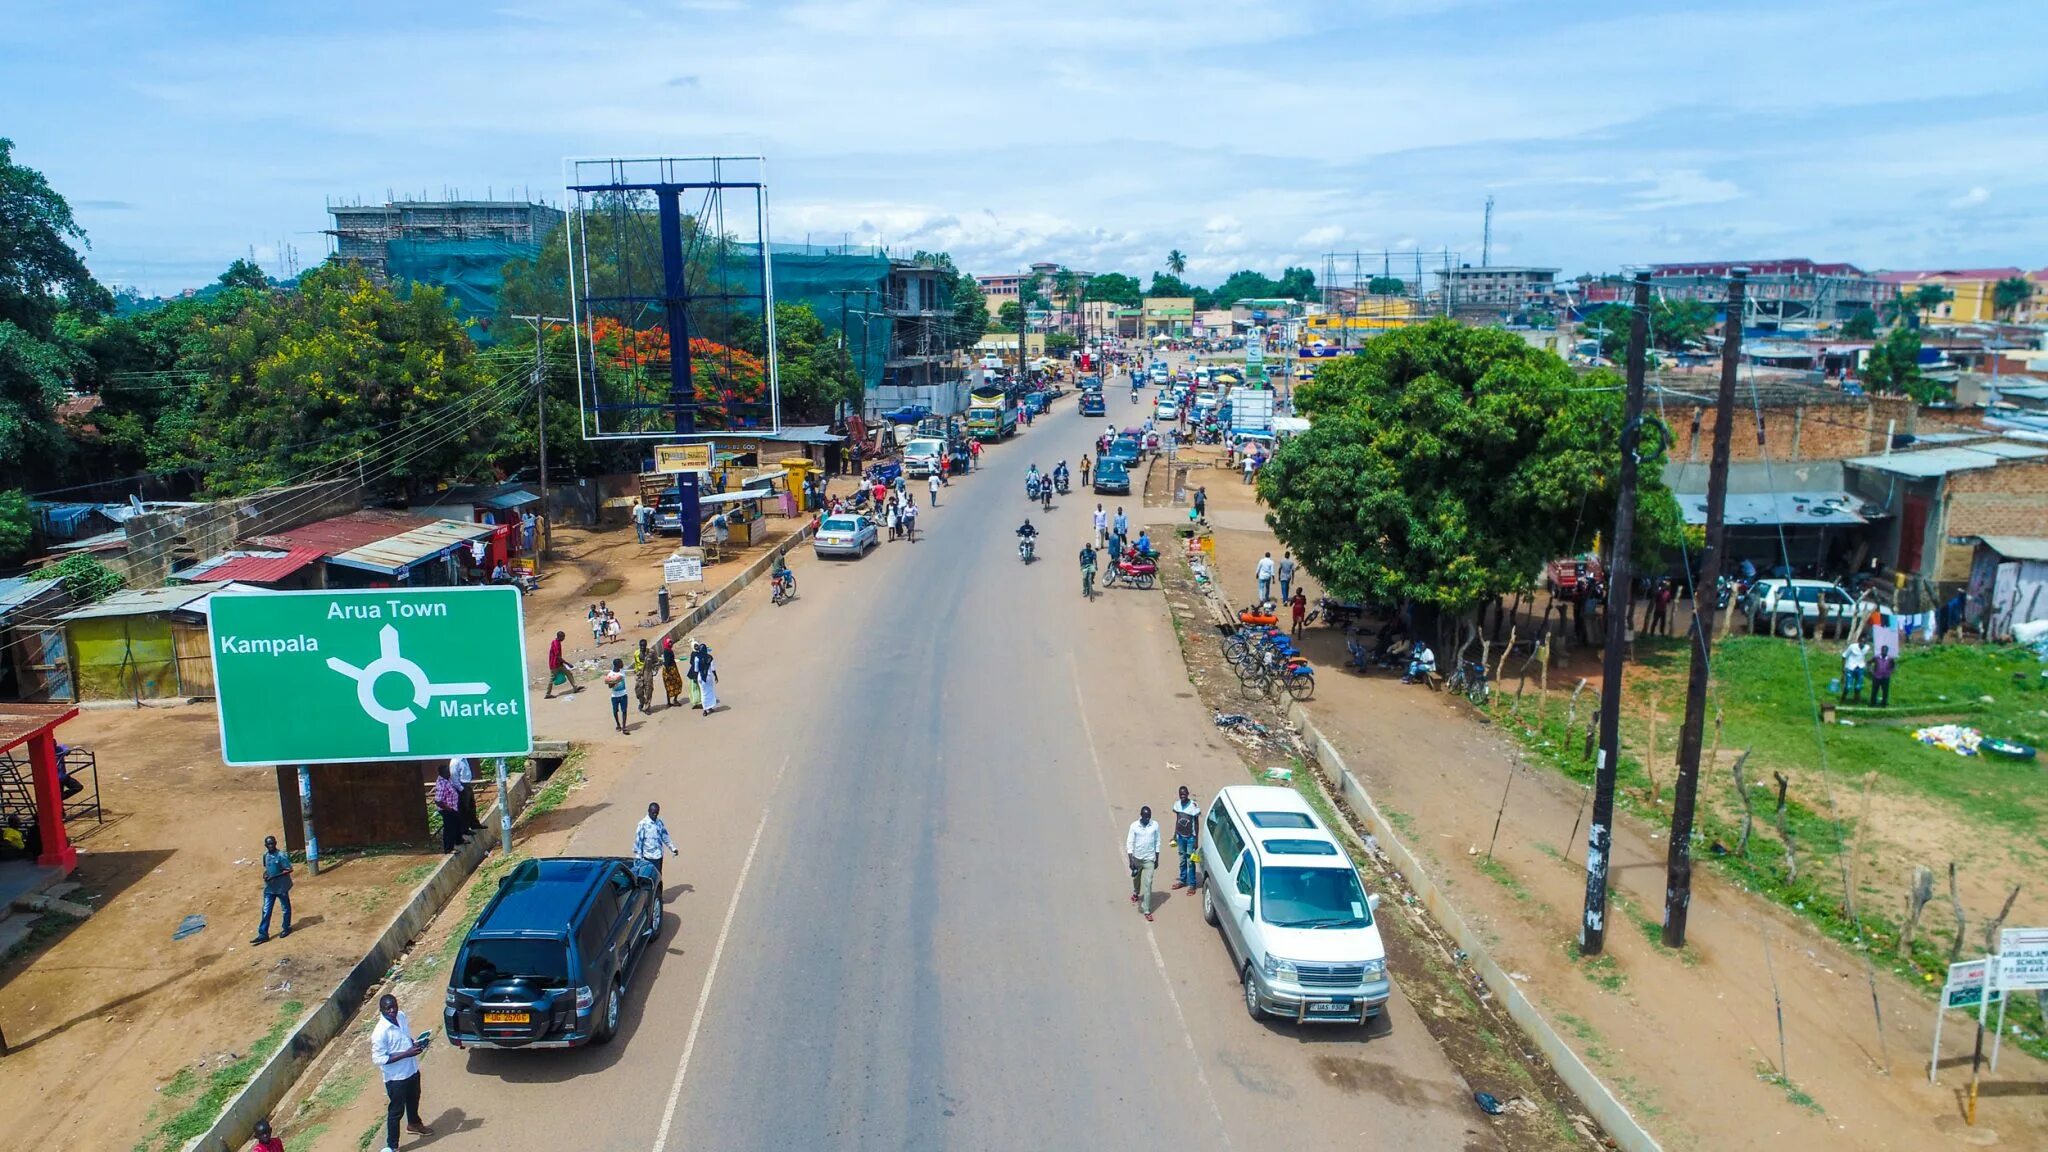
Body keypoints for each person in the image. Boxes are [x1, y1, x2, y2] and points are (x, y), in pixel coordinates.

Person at [370, 993, 431, 1151]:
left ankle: (414, 1124)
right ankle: (392, 1146)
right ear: (381, 1010)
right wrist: (406, 1053)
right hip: (396, 1078)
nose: (392, 1011)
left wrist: (416, 1044)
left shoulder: (401, 1016)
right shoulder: (380, 1033)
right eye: (388, 1008)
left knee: (414, 1098)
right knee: (396, 1111)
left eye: (394, 1007)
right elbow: (378, 1059)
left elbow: (405, 1038)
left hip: (411, 1069)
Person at [252, 835, 293, 945]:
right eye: (268, 844)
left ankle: (286, 927)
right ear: (265, 845)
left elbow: (289, 869)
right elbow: (267, 869)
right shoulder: (266, 856)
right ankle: (263, 934)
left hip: (281, 887)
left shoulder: (281, 855)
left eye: (272, 843)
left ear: (275, 843)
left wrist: (274, 876)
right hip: (269, 888)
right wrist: (265, 875)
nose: (270, 846)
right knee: (266, 910)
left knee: (285, 908)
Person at [1127, 805, 1161, 922]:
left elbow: (1157, 841)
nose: (1147, 819)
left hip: (1149, 859)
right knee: (1136, 878)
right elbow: (1130, 843)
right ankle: (1136, 892)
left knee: (1148, 883)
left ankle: (1146, 909)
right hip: (1137, 858)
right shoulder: (1134, 826)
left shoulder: (1155, 825)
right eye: (1146, 817)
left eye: (1149, 817)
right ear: (1141, 816)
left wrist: (1157, 858)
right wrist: (1131, 860)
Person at [633, 801, 679, 887]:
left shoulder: (659, 822)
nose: (655, 815)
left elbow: (665, 836)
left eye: (657, 813)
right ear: (649, 811)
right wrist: (638, 859)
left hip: (658, 857)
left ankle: (658, 897)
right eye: (653, 813)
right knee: (647, 879)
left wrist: (673, 848)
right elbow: (638, 842)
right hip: (648, 858)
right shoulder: (643, 825)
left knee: (658, 878)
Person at [1172, 786, 1200, 891]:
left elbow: (1196, 824)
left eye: (1184, 794)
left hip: (1190, 839)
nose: (1182, 795)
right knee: (1182, 860)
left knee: (1190, 862)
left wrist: (1196, 840)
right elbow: (1177, 820)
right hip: (1180, 837)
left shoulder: (1194, 806)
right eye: (1181, 794)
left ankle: (1192, 884)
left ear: (1188, 794)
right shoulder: (1177, 805)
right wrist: (1175, 834)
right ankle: (1182, 880)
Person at [434, 766, 463, 853]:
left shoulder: (447, 779)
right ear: (442, 773)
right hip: (447, 810)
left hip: (454, 807)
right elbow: (438, 800)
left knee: (458, 825)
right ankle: (448, 848)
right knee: (449, 829)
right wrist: (448, 809)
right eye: (447, 772)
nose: (449, 774)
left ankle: (459, 840)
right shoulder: (441, 785)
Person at [449, 756, 479, 839]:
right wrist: (461, 788)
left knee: (471, 805)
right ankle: (464, 829)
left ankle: (474, 824)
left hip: (467, 784)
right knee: (464, 808)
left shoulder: (464, 759)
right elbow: (454, 776)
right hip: (462, 785)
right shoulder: (455, 761)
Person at [545, 630, 577, 698]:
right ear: (559, 637)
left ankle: (575, 687)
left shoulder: (556, 642)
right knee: (552, 679)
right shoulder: (556, 644)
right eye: (563, 637)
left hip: (559, 664)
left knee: (569, 673)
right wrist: (568, 664)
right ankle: (547, 694)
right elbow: (558, 657)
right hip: (555, 664)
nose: (564, 638)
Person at [693, 641, 720, 715]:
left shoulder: (697, 658)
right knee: (710, 692)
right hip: (708, 677)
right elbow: (713, 668)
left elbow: (696, 670)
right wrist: (716, 676)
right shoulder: (709, 658)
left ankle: (705, 710)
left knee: (703, 693)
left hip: (700, 677)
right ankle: (710, 707)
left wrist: (695, 678)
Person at [604, 658, 629, 734]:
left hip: (623, 694)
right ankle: (618, 724)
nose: (622, 664)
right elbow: (609, 686)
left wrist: (612, 681)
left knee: (624, 711)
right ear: (617, 665)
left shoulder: (622, 672)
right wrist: (614, 681)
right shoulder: (610, 674)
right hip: (615, 696)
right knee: (615, 711)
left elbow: (609, 681)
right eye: (621, 663)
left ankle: (624, 727)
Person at [634, 639, 656, 714]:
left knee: (648, 690)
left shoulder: (651, 653)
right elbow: (636, 664)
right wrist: (636, 672)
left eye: (644, 645)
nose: (642, 647)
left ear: (646, 645)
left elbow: (656, 661)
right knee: (638, 691)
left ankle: (647, 708)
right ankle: (642, 702)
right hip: (639, 674)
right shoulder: (636, 653)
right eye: (641, 645)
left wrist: (654, 667)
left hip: (648, 673)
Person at [661, 638, 684, 707]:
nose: (671, 644)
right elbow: (667, 662)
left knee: (669, 686)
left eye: (671, 642)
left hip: (670, 669)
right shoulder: (668, 651)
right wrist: (669, 673)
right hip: (670, 670)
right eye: (669, 643)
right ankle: (674, 700)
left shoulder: (667, 650)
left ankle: (669, 702)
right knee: (678, 683)